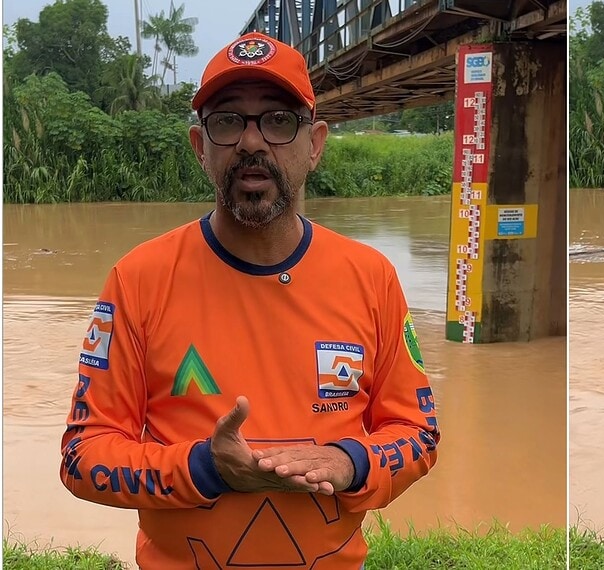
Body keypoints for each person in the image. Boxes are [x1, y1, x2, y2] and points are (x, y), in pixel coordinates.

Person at [59, 31, 440, 569]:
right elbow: (83, 456)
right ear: (201, 147)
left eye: (279, 119)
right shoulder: (138, 280)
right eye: (228, 120)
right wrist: (204, 469)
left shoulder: (371, 277)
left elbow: (419, 435)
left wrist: (348, 461)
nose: (252, 142)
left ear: (315, 144)